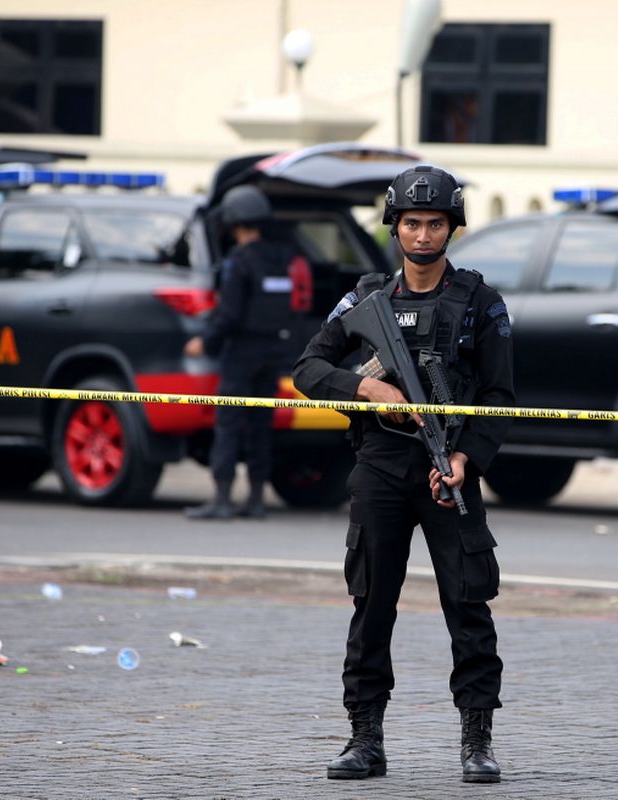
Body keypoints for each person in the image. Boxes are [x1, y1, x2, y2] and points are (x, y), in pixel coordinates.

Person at [293, 165, 514, 783]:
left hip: (450, 469)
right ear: (396, 226)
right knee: (371, 605)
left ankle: (477, 741)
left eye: (435, 223)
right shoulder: (367, 299)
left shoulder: (481, 302)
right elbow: (308, 368)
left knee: (468, 605)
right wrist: (365, 387)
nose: (422, 235)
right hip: (382, 466)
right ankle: (365, 740)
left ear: (452, 228)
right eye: (412, 223)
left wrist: (467, 457)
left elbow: (499, 396)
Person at [183, 185, 296, 520]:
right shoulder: (280, 258)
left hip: (242, 352)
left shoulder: (238, 261)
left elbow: (230, 313)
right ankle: (256, 499)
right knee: (260, 423)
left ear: (234, 222)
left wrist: (206, 341)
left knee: (229, 422)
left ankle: (221, 499)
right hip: (273, 351)